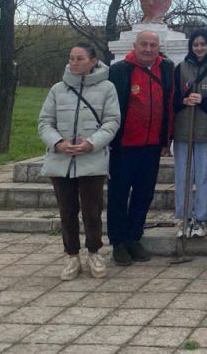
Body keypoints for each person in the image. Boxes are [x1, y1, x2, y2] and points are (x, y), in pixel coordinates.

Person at [38, 43, 120, 280]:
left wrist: (91, 143)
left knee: (92, 211)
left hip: (91, 159)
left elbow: (112, 121)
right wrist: (58, 143)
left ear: (93, 61)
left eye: (80, 58)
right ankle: (72, 255)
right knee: (67, 211)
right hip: (61, 159)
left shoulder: (107, 88)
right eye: (72, 58)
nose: (74, 63)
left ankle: (94, 252)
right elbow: (45, 122)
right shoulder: (57, 89)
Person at [107, 30, 175, 266]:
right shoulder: (119, 70)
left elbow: (169, 104)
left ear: (158, 47)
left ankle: (134, 237)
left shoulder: (166, 69)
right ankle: (118, 242)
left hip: (152, 146)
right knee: (118, 194)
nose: (148, 49)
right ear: (135, 45)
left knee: (143, 195)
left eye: (152, 45)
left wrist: (167, 139)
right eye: (144, 44)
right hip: (124, 145)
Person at [172, 30, 207, 239]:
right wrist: (183, 101)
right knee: (183, 176)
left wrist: (203, 101)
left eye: (203, 44)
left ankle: (201, 218)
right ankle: (184, 217)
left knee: (204, 176)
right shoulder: (181, 68)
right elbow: (173, 98)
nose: (199, 48)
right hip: (183, 130)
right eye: (195, 44)